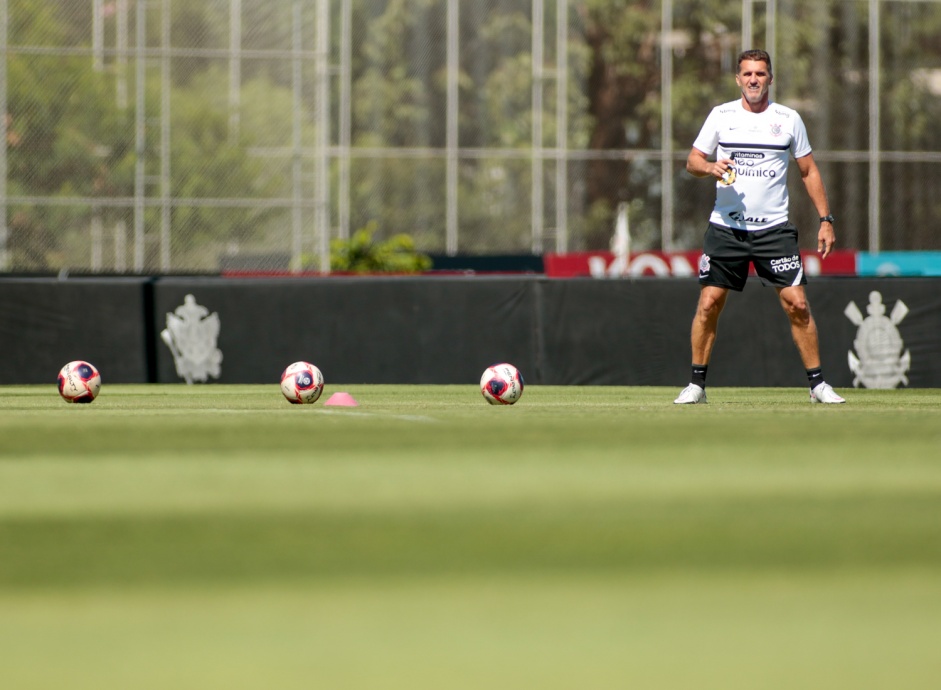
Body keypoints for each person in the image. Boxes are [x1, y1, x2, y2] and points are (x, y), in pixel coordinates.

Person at [674, 49, 845, 405]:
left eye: (761, 74)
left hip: (773, 231)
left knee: (797, 304)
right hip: (726, 229)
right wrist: (709, 168)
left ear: (770, 78)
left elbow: (809, 170)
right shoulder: (721, 116)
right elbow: (692, 160)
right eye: (748, 74)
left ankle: (818, 386)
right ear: (738, 79)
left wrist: (826, 220)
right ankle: (696, 386)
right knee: (709, 303)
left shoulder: (788, 119)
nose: (754, 79)